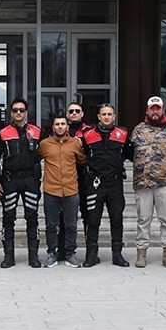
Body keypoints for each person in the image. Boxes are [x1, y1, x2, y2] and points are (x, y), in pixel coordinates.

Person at [130, 96, 166, 268]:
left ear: (163, 110)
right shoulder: (138, 130)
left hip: (165, 183)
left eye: (158, 108)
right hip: (143, 184)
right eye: (152, 109)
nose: (155, 112)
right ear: (147, 111)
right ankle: (141, 252)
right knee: (143, 220)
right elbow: (130, 152)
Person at [80, 103, 132, 267]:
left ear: (114, 116)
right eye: (104, 114)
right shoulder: (87, 135)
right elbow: (83, 155)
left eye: (109, 114)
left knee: (116, 219)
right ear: (99, 117)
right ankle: (91, 255)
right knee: (93, 220)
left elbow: (129, 154)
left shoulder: (122, 134)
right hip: (95, 183)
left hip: (115, 183)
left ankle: (117, 255)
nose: (107, 117)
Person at [0, 97, 43, 268]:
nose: (18, 113)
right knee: (8, 218)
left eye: (21, 110)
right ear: (11, 113)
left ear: (26, 112)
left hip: (30, 179)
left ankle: (34, 257)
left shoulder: (37, 132)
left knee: (32, 217)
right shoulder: (3, 133)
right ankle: (8, 257)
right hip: (10, 180)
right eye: (15, 110)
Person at [38, 112, 86, 268]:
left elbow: (82, 160)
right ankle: (52, 253)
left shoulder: (75, 143)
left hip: (71, 189)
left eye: (63, 124)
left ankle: (70, 253)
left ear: (67, 127)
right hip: (51, 189)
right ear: (53, 127)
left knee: (71, 225)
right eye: (57, 124)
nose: (60, 127)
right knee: (51, 225)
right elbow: (36, 158)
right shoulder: (45, 144)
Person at [56, 101, 92, 261]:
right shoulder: (61, 131)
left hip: (85, 179)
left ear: (82, 114)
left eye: (77, 111)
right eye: (71, 111)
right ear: (67, 114)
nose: (74, 113)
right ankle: (62, 250)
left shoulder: (90, 131)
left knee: (88, 216)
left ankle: (91, 253)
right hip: (65, 179)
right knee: (63, 217)